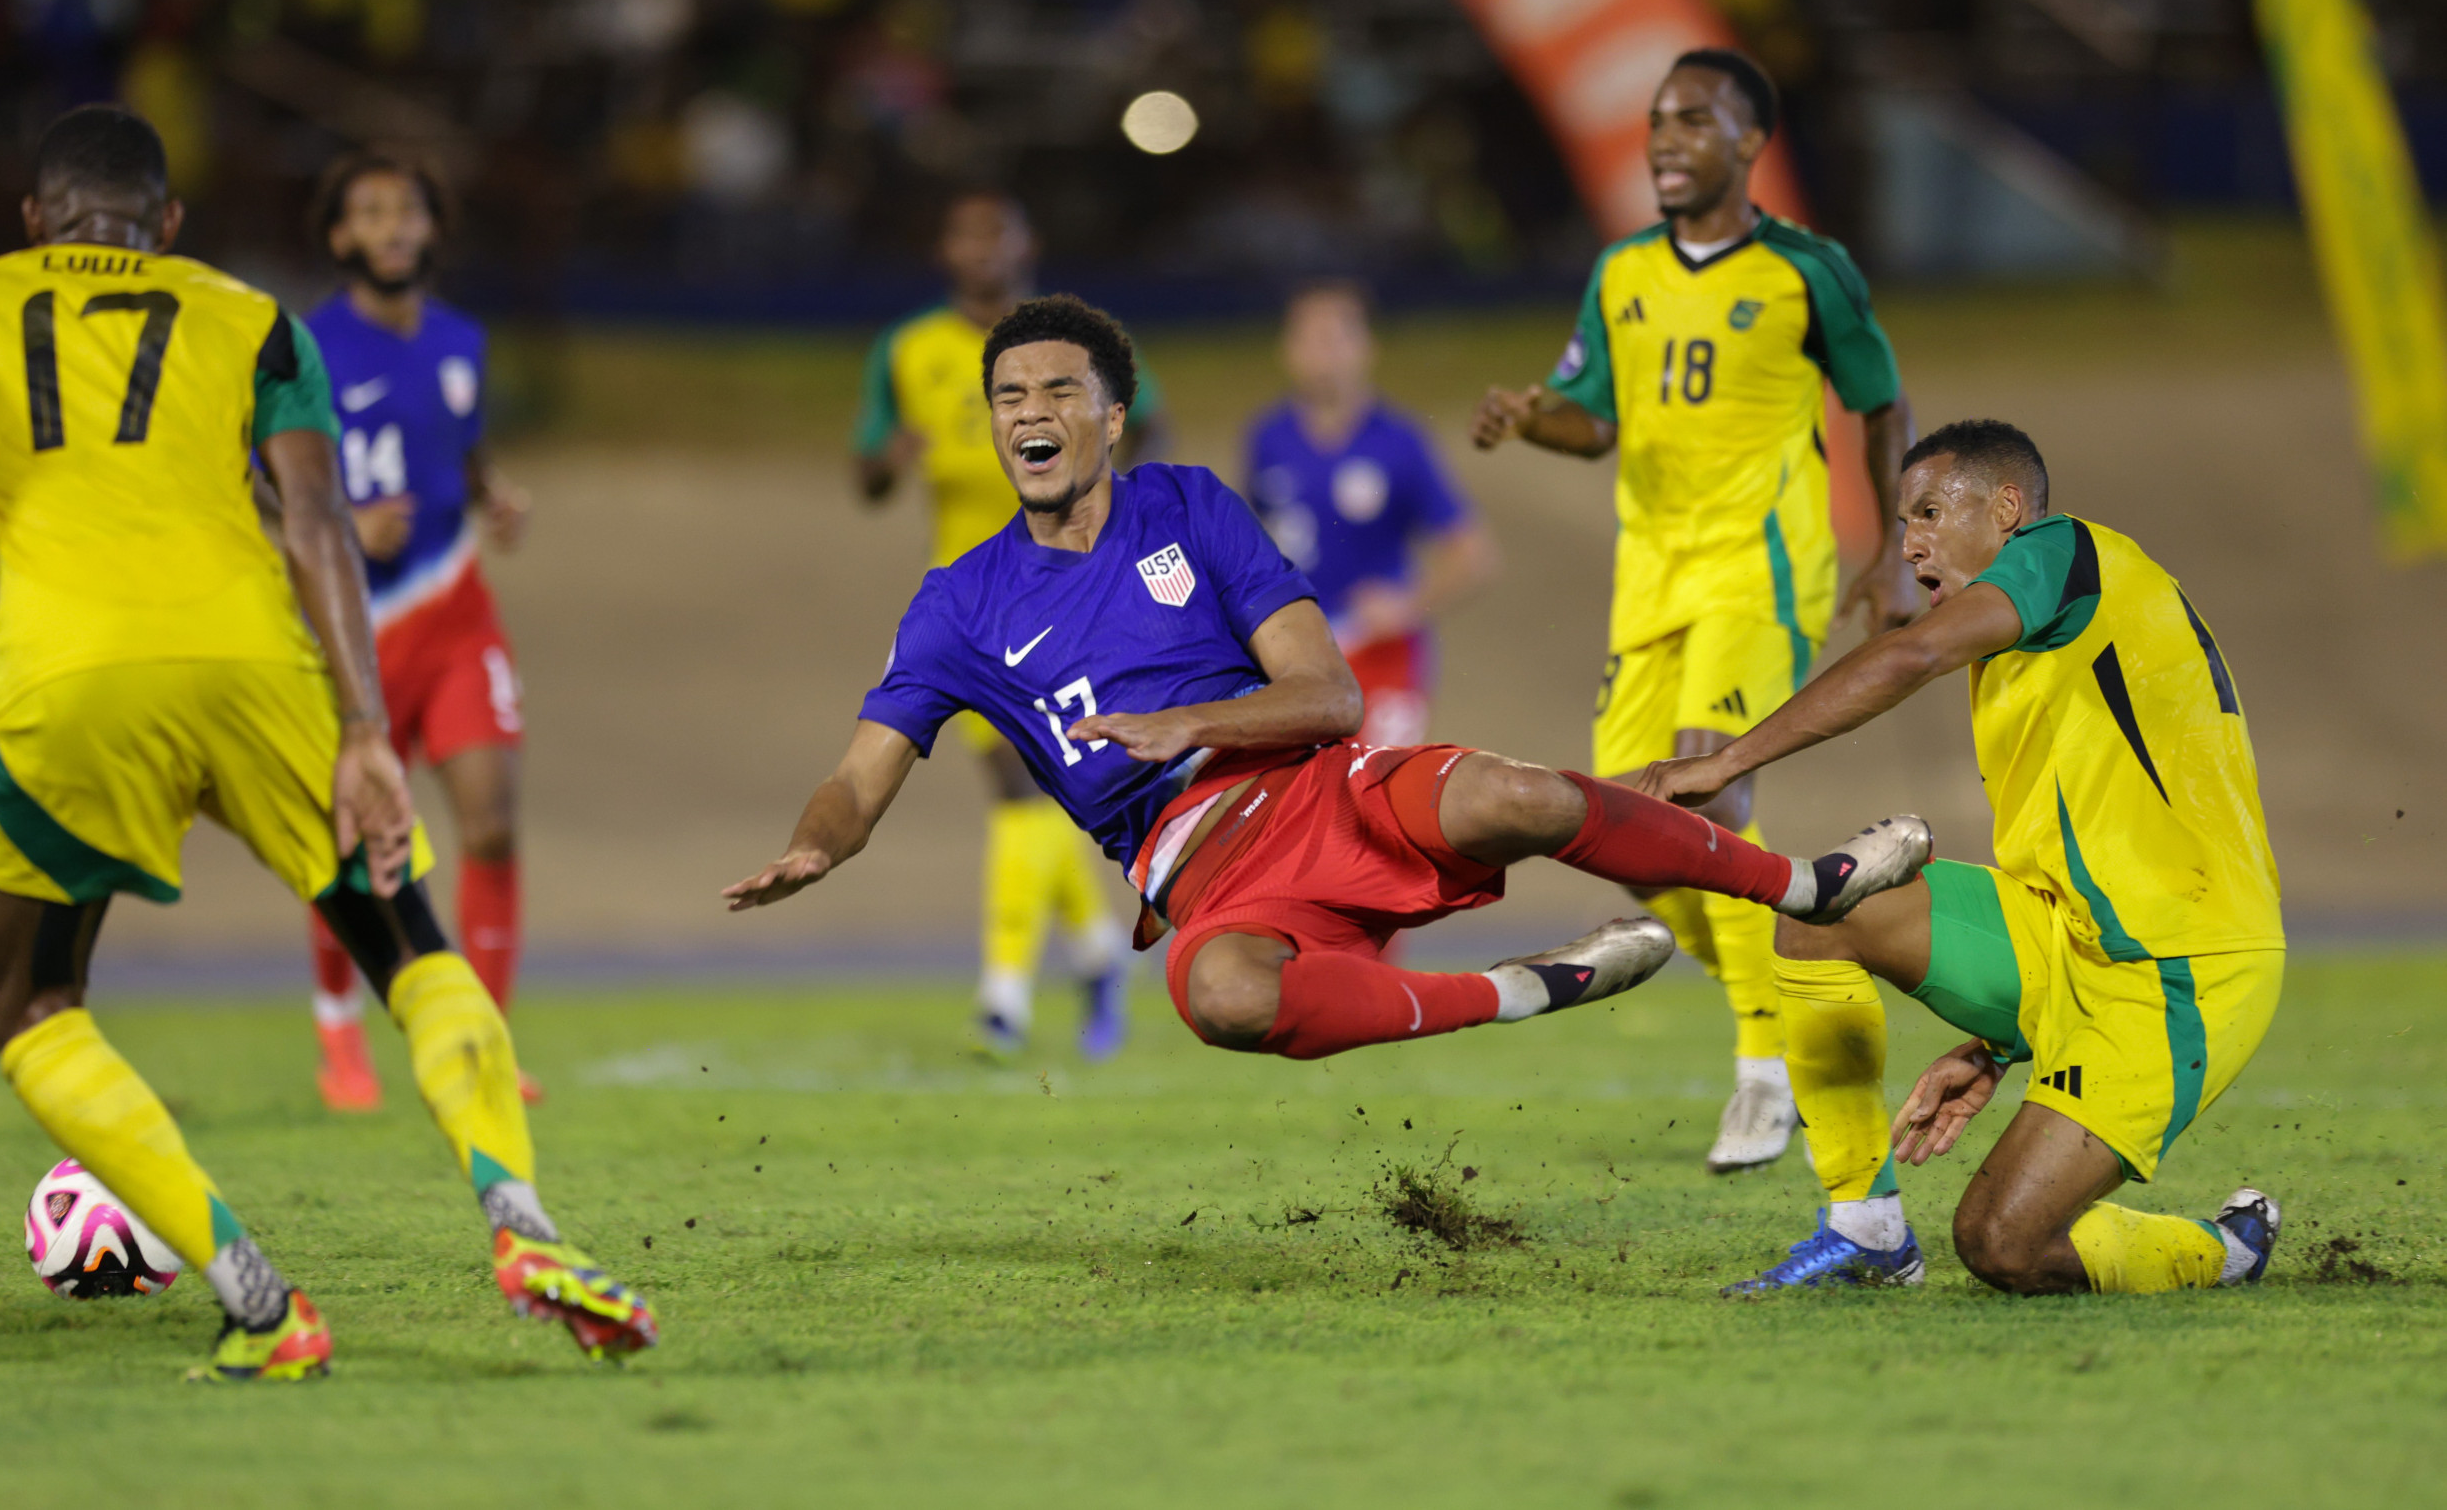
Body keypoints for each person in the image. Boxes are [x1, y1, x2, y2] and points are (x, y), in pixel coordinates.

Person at [729, 296, 1932, 1068]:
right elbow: (855, 778)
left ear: (1111, 415)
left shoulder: (1189, 503)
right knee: (1224, 999)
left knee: (1513, 794)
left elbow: (1331, 696)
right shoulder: (955, 602)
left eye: (1056, 392)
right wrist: (813, 847)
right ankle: (1516, 989)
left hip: (1320, 786)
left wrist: (1184, 720)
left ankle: (1805, 882)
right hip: (1204, 873)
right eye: (1007, 399)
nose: (1027, 415)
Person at [0, 106, 652, 1379]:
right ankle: (524, 1221)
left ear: (33, 219)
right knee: (406, 937)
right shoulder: (255, 319)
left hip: (70, 669)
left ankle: (258, 1298)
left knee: (26, 994)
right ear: (167, 226)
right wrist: (368, 732)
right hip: (260, 664)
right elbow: (318, 521)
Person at [1637, 420, 2285, 1294]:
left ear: (2009, 508)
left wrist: (1725, 758)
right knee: (1823, 910)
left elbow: (1912, 654)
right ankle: (1865, 1228)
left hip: (2181, 964)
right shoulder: (2037, 640)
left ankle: (2225, 1250)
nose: (1912, 547)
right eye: (1905, 525)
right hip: (2064, 933)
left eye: (1932, 513)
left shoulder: (2068, 554)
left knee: (2001, 1244)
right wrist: (1994, 1042)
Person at [1471, 47, 1921, 1175]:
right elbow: (1595, 419)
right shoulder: (1620, 272)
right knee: (1624, 831)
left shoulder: (1806, 270)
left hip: (1760, 568)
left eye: (1692, 120)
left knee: (1706, 785)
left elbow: (1880, 400)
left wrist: (1899, 557)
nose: (1665, 139)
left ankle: (1764, 1069)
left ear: (1749, 141)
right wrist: (1534, 417)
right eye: (1656, 120)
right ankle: (1797, 962)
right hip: (1650, 579)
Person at [854, 191, 1160, 1062]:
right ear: (945, 249)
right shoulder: (908, 350)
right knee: (1031, 787)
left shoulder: (1078, 341)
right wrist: (889, 458)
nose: (982, 248)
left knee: (1029, 786)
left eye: (999, 231)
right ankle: (1095, 956)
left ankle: (1007, 995)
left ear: (1028, 242)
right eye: (966, 233)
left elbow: (1152, 419)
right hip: (974, 603)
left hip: (1076, 589)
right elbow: (867, 472)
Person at [301, 148, 538, 1113]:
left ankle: (480, 1042)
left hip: (454, 614)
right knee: (351, 849)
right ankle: (339, 1034)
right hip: (352, 632)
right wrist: (338, 528)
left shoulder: (462, 343)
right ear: (339, 236)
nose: (392, 227)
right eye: (370, 212)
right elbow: (256, 488)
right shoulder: (303, 347)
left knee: (491, 821)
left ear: (432, 230)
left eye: (408, 212)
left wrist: (495, 497)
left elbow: (464, 448)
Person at [1246, 280, 1496, 750]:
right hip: (1298, 657)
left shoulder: (1399, 442)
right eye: (1309, 339)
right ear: (1288, 350)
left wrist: (1408, 604)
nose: (1324, 354)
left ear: (1365, 347)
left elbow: (1472, 553)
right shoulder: (1267, 438)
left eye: (1336, 338)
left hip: (1382, 656)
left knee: (1382, 790)